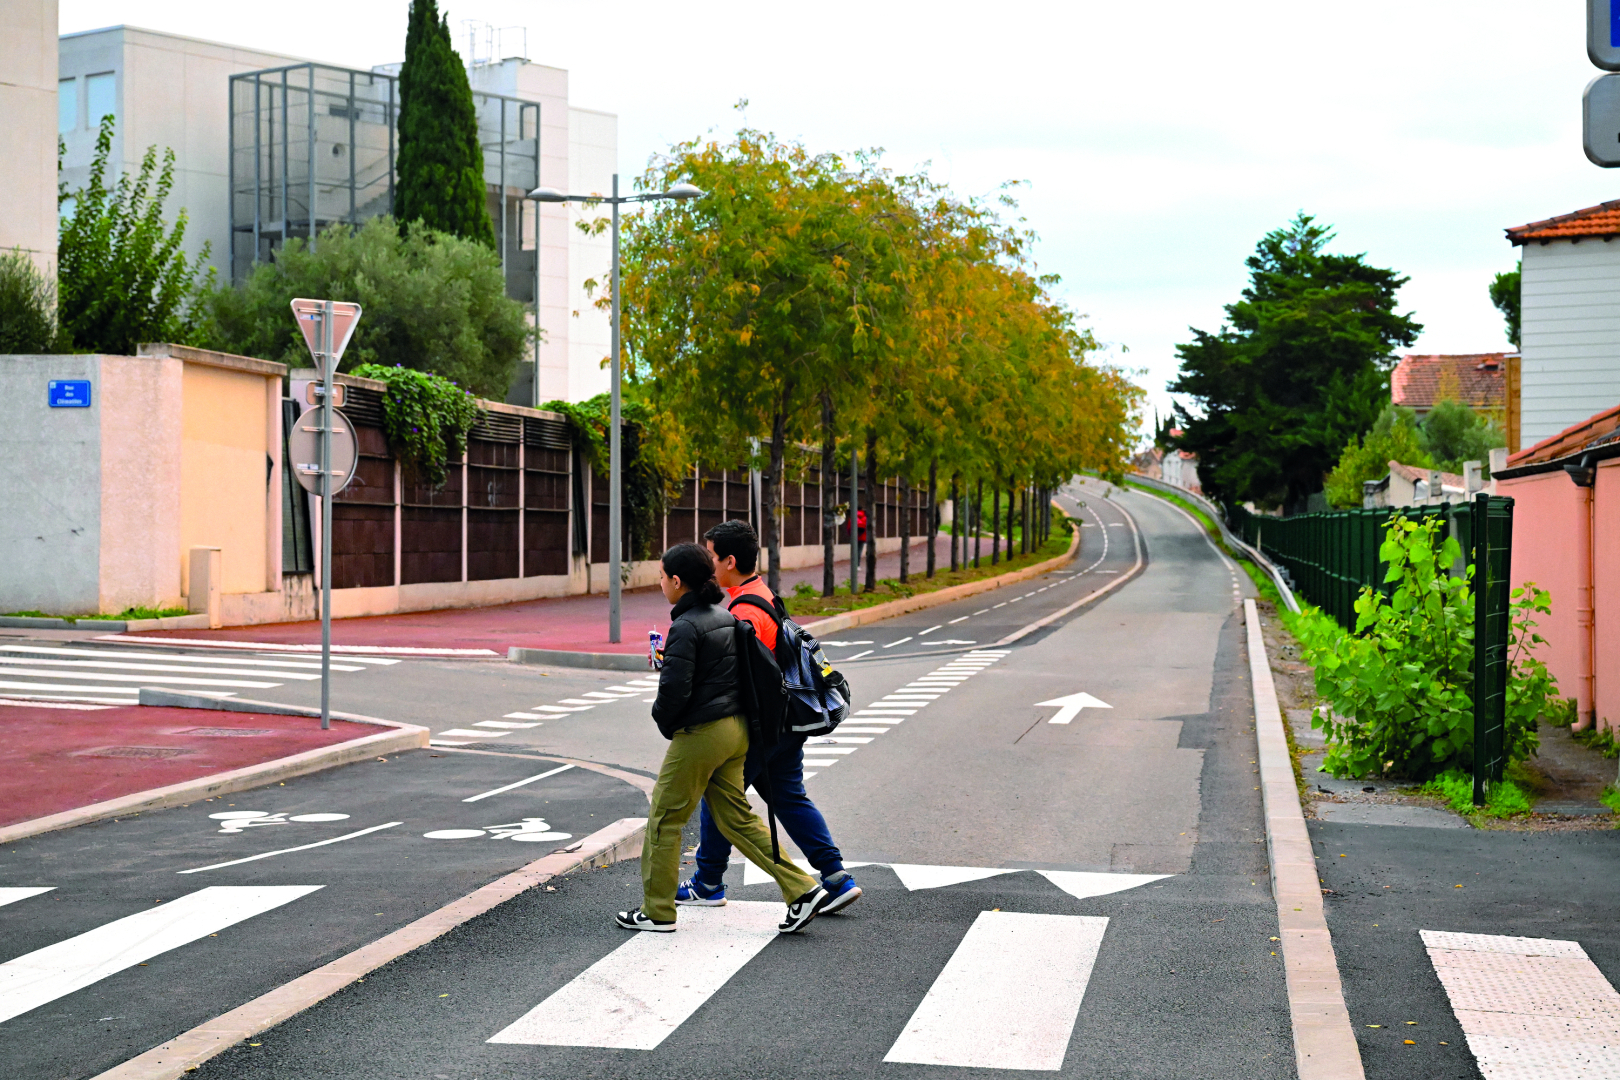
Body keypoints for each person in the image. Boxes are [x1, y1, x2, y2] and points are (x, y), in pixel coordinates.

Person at [616, 541, 830, 934]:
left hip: (703, 733)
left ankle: (658, 911)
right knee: (738, 818)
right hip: (737, 732)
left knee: (665, 817)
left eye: (662, 577)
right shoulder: (724, 616)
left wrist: (666, 724)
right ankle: (803, 889)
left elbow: (674, 693)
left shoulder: (685, 625)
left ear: (678, 581)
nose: (660, 583)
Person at [674, 519, 863, 914]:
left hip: (762, 727)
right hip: (785, 722)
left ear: (728, 560)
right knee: (790, 798)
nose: (708, 565)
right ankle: (836, 877)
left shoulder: (745, 610)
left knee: (721, 797)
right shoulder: (763, 593)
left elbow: (741, 674)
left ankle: (708, 881)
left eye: (710, 556)